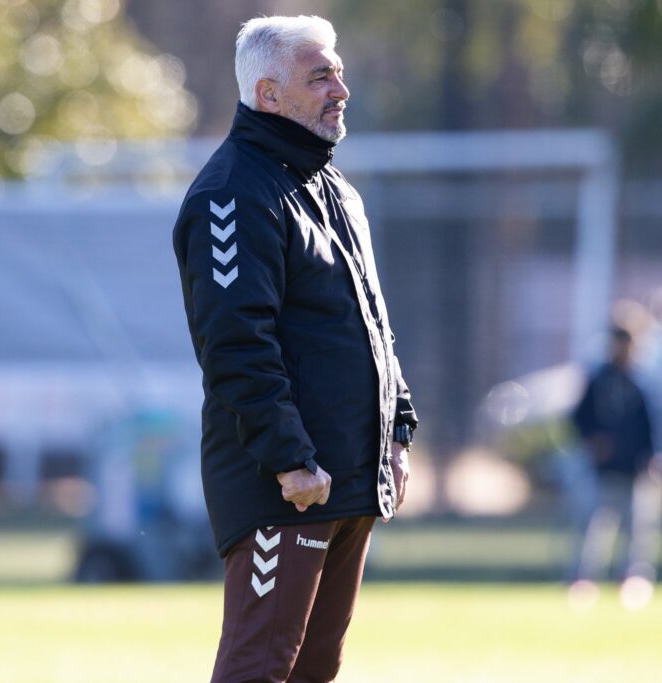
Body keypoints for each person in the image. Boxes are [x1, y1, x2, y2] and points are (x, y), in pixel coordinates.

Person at [171, 15, 418, 682]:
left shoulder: (335, 189)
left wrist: (396, 432)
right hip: (286, 485)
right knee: (259, 668)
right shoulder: (233, 193)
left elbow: (373, 323)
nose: (341, 88)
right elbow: (234, 342)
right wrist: (288, 457)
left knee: (313, 670)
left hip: (346, 481)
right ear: (270, 94)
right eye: (321, 76)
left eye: (338, 71)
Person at [567, 317, 662, 610]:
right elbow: (579, 419)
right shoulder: (599, 378)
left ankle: (634, 580)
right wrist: (593, 441)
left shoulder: (646, 379)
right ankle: (584, 580)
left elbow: (659, 422)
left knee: (639, 528)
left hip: (637, 468)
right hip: (604, 469)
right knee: (595, 527)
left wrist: (659, 455)